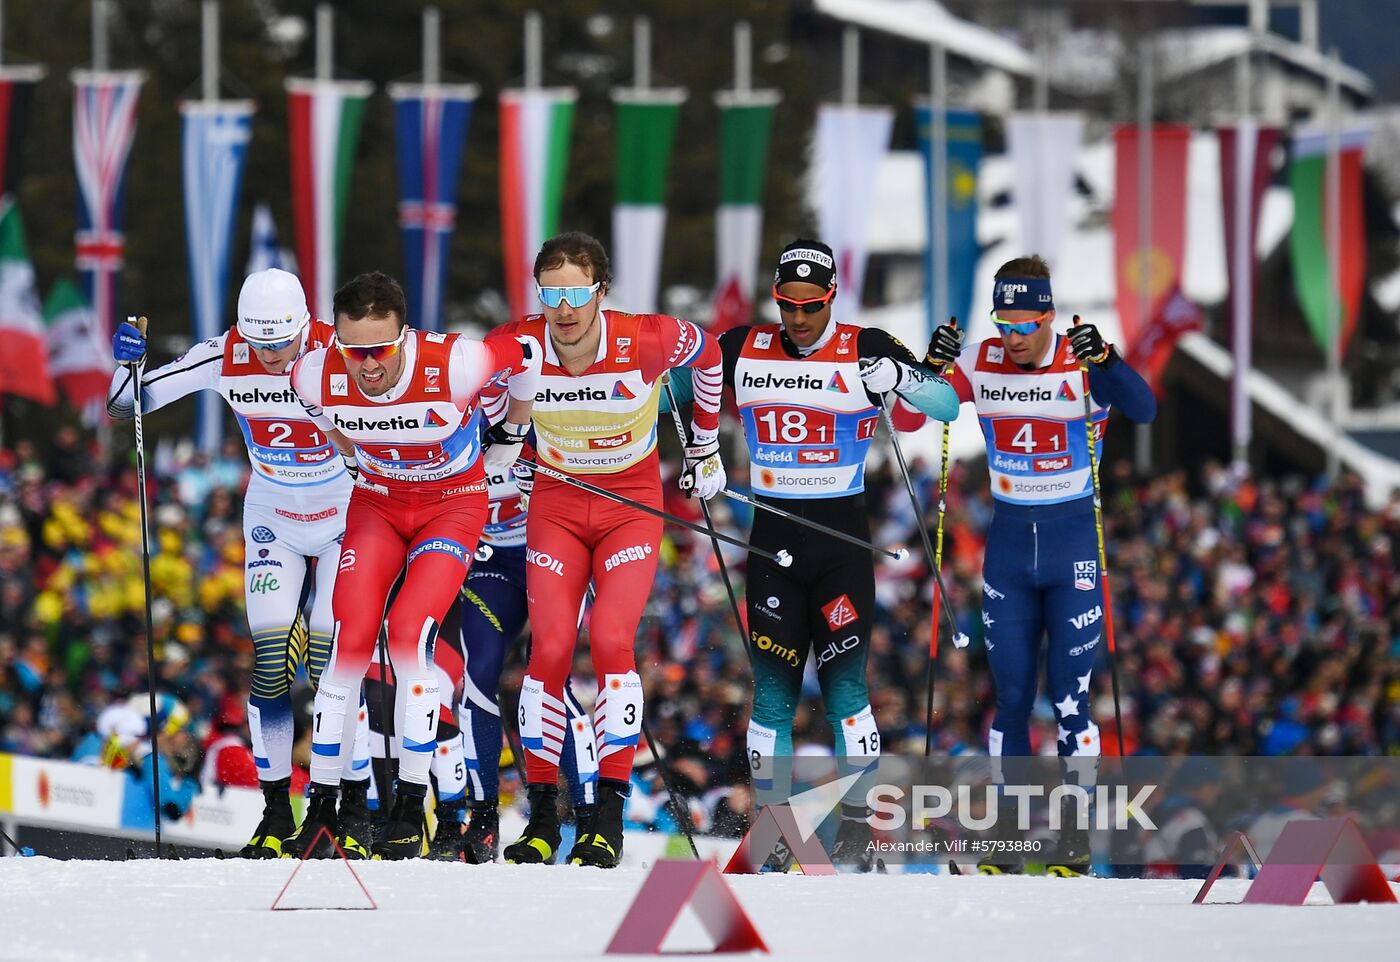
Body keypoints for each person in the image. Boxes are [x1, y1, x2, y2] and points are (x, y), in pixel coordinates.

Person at [896, 254, 1156, 875]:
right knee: (1010, 700)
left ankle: (1073, 838)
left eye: (1022, 325)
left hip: (1072, 554)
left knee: (1070, 701)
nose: (1010, 338)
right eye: (1002, 323)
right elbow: (908, 416)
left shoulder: (1080, 360)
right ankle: (1007, 837)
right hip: (1009, 551)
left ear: (1047, 317)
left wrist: (1110, 362)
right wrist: (928, 367)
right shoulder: (982, 360)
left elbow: (1143, 409)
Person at [106, 268, 372, 859]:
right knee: (272, 664)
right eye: (262, 343)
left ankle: (352, 809)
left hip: (345, 518)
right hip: (273, 516)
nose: (273, 356)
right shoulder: (223, 354)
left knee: (335, 668)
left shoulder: (342, 347)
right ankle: (276, 811)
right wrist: (126, 364)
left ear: (306, 326)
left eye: (283, 342)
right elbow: (126, 406)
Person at [717, 239, 959, 870]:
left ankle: (860, 827)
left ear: (832, 299)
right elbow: (672, 387)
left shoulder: (866, 344)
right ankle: (771, 830)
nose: (798, 319)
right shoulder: (743, 346)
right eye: (788, 306)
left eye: (812, 307)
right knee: (772, 692)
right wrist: (696, 454)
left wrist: (904, 378)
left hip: (840, 542)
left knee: (845, 686)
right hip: (770, 540)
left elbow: (946, 404)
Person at [284, 271, 540, 860]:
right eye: (354, 351)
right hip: (378, 504)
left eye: (381, 349)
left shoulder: (454, 363)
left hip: (450, 507)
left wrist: (511, 433)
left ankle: (408, 803)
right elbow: (327, 423)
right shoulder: (314, 372)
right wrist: (353, 459)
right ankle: (322, 807)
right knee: (346, 642)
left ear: (406, 334)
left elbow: (527, 354)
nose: (367, 365)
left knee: (407, 638)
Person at [493, 231, 726, 868]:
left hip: (630, 505)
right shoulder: (518, 341)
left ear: (601, 292)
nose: (562, 309)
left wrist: (704, 446)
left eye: (576, 293)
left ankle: (607, 821)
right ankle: (543, 818)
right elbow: (474, 379)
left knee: (614, 641)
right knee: (549, 652)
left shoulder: (646, 337)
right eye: (550, 293)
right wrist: (503, 443)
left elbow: (709, 358)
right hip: (557, 507)